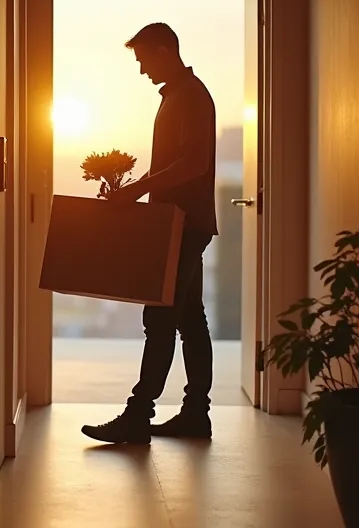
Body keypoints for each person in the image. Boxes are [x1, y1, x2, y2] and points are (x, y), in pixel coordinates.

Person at [81, 22, 219, 445]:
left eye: (143, 60)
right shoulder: (179, 95)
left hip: (183, 224)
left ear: (163, 50)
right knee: (190, 320)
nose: (142, 70)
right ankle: (195, 414)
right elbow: (175, 163)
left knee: (159, 319)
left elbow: (194, 163)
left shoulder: (189, 96)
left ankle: (138, 416)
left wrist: (138, 189)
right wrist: (136, 188)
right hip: (184, 222)